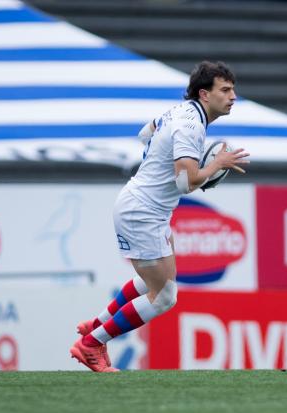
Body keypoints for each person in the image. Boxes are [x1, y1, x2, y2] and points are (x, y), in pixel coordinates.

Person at [70, 61, 250, 372]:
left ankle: (95, 326)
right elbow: (186, 182)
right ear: (205, 95)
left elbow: (145, 134)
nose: (233, 96)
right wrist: (216, 163)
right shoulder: (191, 125)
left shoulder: (180, 112)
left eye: (233, 89)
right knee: (165, 296)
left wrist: (165, 158)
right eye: (226, 90)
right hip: (143, 212)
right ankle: (93, 343)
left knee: (149, 282)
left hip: (143, 206)